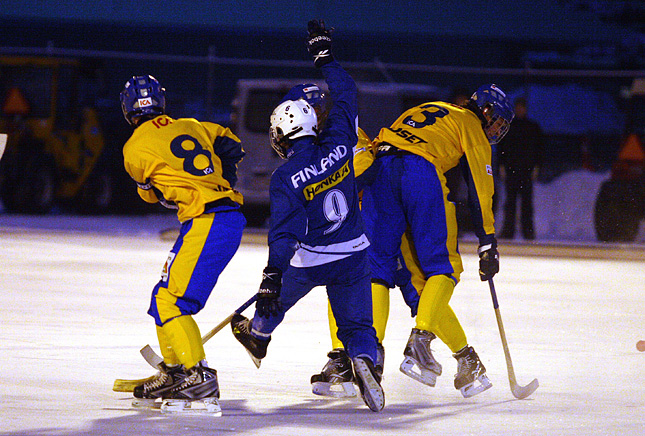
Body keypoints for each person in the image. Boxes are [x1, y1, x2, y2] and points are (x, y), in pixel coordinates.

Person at [229, 20, 385, 412]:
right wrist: (324, 57)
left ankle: (259, 336)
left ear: (283, 133)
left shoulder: (285, 176)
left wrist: (270, 277)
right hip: (353, 253)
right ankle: (364, 359)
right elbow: (347, 90)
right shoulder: (340, 140)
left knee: (274, 302)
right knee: (357, 328)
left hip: (312, 259)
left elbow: (283, 236)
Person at [361, 84, 514, 398]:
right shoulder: (470, 124)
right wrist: (487, 240)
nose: (496, 129)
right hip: (419, 172)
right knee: (445, 269)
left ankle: (370, 354)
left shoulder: (429, 108)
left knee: (383, 272)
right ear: (485, 111)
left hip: (381, 171)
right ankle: (419, 343)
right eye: (497, 121)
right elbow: (480, 187)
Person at [281, 83, 419, 398]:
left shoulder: (342, 134)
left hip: (376, 221)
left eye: (312, 110)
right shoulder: (310, 146)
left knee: (389, 285)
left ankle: (368, 356)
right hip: (358, 226)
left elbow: (366, 165)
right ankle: (347, 359)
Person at [119, 75, 246, 414]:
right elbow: (232, 143)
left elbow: (151, 195)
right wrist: (223, 179)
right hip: (217, 217)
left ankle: (198, 376)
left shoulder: (133, 148)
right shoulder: (194, 125)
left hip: (208, 220)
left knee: (172, 302)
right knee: (163, 298)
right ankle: (176, 373)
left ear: (127, 108)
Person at [498, 96, 543, 240]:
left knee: (526, 203)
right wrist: (501, 165)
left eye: (522, 107)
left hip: (526, 171)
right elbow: (501, 147)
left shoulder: (533, 127)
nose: (519, 110)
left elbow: (539, 148)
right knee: (510, 203)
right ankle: (508, 230)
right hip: (511, 170)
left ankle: (528, 231)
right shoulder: (508, 127)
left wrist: (537, 166)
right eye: (517, 107)